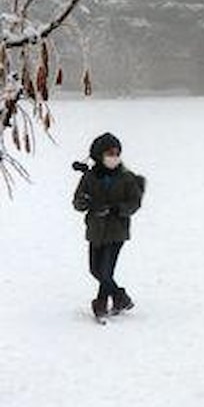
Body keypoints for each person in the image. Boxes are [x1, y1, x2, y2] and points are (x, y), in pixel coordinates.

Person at [72, 133, 145, 321]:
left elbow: (134, 202)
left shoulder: (127, 178)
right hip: (95, 230)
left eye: (116, 153)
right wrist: (84, 202)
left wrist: (116, 209)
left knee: (105, 271)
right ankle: (120, 298)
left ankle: (101, 304)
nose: (114, 157)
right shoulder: (89, 177)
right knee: (95, 270)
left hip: (117, 231)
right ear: (99, 155)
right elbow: (78, 201)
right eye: (109, 153)